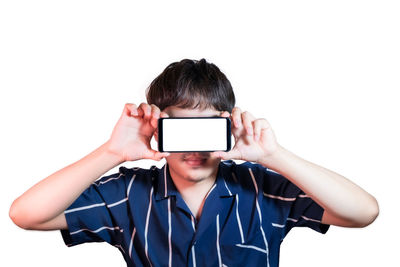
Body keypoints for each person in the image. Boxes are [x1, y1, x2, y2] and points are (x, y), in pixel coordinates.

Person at [9, 59, 379, 267]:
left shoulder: (263, 188)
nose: (193, 149)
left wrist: (275, 156)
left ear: (228, 126)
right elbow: (26, 214)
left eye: (206, 130)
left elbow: (363, 212)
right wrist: (111, 152)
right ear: (157, 131)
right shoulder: (129, 193)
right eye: (179, 131)